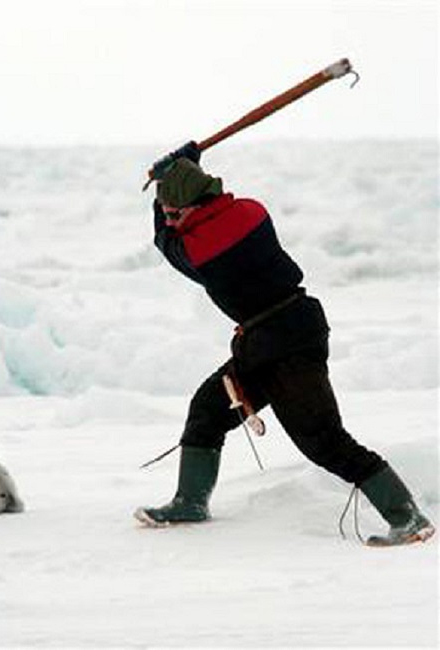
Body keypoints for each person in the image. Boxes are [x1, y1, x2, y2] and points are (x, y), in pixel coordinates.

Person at [134, 144, 435, 547]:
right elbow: (189, 217)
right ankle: (190, 502)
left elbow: (165, 242)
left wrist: (162, 187)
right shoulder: (251, 212)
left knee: (324, 440)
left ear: (194, 206)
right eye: (168, 212)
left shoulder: (202, 249)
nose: (170, 219)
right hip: (275, 334)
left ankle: (408, 517)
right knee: (208, 408)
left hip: (285, 343)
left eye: (174, 212)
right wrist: (184, 171)